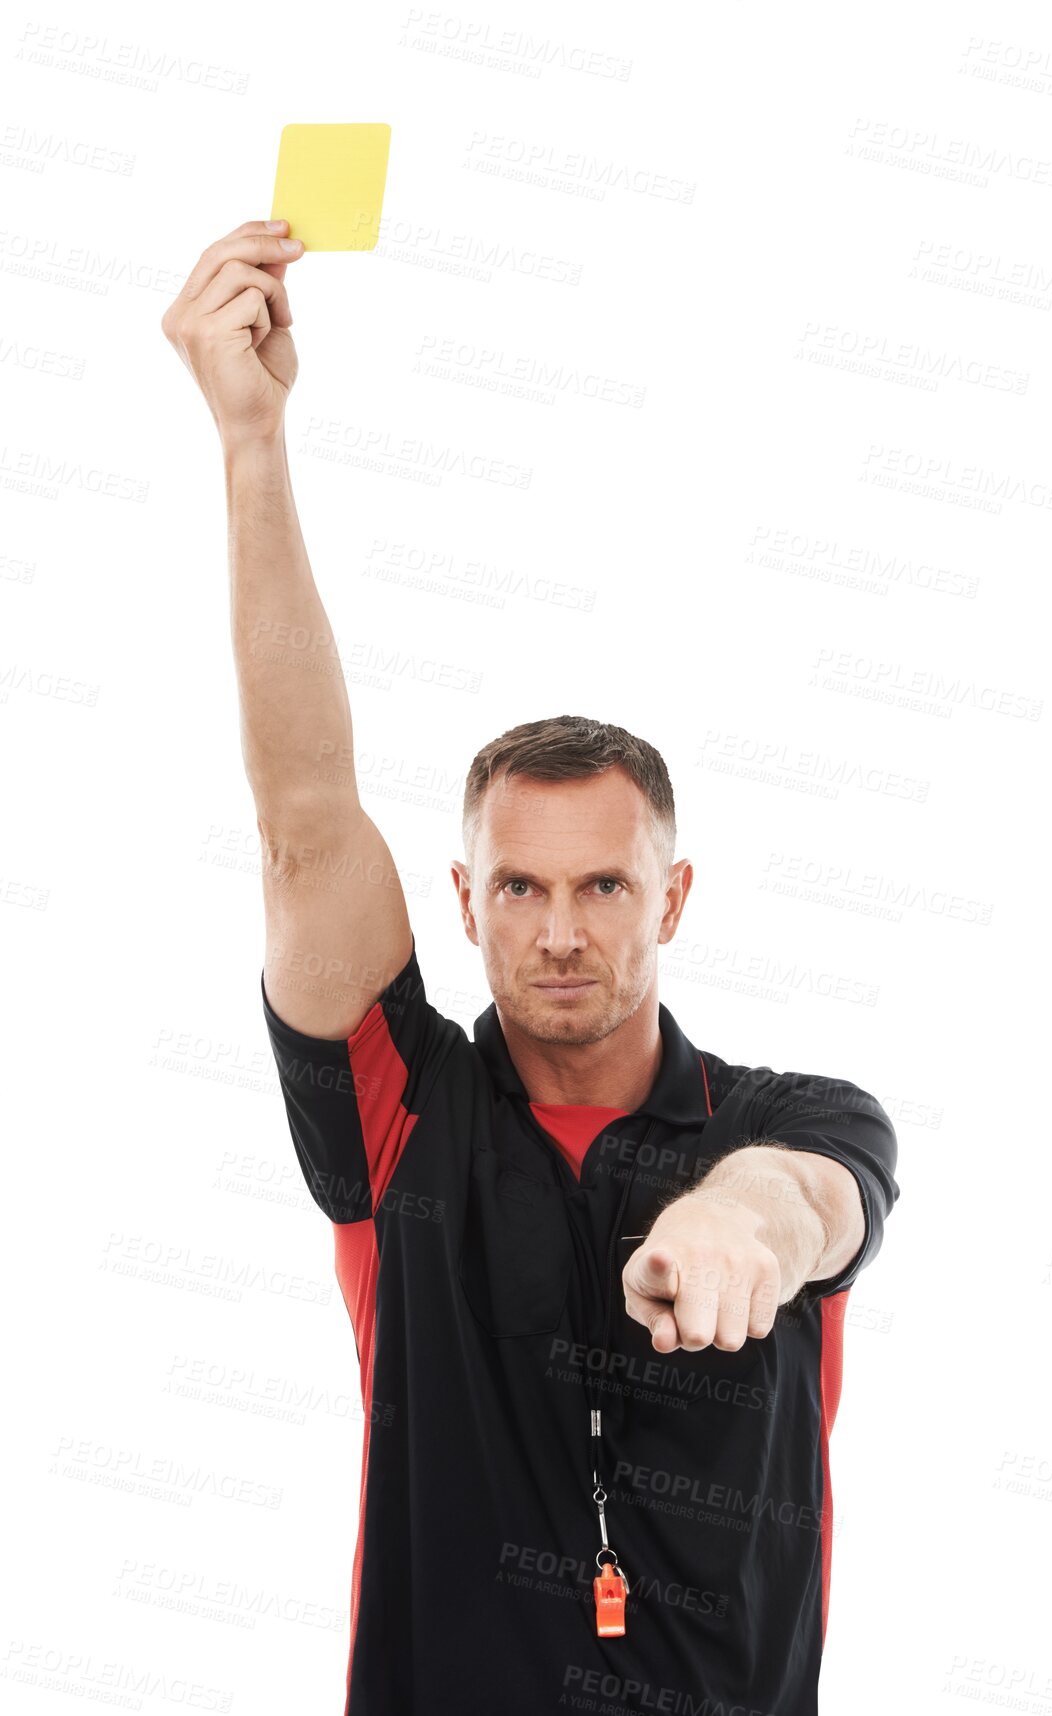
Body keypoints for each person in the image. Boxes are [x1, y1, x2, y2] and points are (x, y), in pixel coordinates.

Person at [162, 220, 901, 1716]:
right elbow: (305, 823)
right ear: (467, 900)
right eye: (520, 885)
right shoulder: (400, 1113)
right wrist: (251, 442)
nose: (561, 929)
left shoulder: (800, 1119)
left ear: (673, 897)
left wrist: (738, 1226)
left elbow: (809, 1203)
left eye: (604, 885)